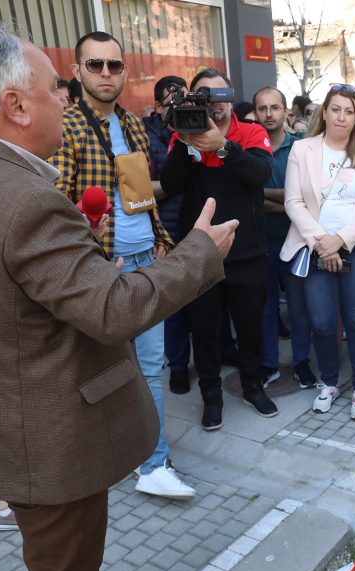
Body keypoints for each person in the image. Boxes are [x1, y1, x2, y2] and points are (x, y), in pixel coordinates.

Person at [0, 17, 237, 571]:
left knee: (63, 559)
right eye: (58, 87)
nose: (68, 97)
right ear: (15, 105)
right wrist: (199, 252)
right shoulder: (22, 197)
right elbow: (113, 310)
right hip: (44, 432)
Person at [51, 31, 195, 499]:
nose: (106, 74)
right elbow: (56, 204)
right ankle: (104, 455)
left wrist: (161, 237)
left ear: (125, 71)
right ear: (78, 71)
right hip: (103, 266)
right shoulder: (65, 127)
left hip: (144, 259)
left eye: (114, 65)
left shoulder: (133, 125)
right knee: (99, 370)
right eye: (95, 66)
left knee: (150, 367)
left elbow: (139, 193)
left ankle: (151, 463)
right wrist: (91, 254)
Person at [160, 68, 278, 430]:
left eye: (219, 96)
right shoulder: (185, 135)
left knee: (250, 328)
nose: (213, 104)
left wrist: (223, 147)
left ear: (230, 97)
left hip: (247, 253)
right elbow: (171, 183)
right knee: (204, 330)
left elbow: (260, 175)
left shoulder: (252, 131)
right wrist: (185, 140)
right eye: (203, 97)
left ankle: (253, 386)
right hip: (200, 255)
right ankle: (211, 396)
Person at [281, 84, 355, 420]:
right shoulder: (303, 149)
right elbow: (293, 201)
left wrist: (340, 240)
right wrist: (321, 241)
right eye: (336, 109)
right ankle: (328, 381)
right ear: (324, 112)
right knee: (323, 322)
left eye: (349, 111)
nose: (342, 116)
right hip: (314, 248)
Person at [253, 86, 317, 390]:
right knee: (265, 308)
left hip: (296, 240)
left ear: (286, 112)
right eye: (262, 108)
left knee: (298, 307)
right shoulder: (249, 146)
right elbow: (249, 200)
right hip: (260, 242)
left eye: (274, 107)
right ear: (255, 113)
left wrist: (267, 197)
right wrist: (289, 201)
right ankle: (269, 366)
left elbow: (307, 196)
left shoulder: (301, 147)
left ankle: (302, 363)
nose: (268, 114)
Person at [146, 75, 192, 394]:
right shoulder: (144, 136)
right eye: (170, 102)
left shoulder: (195, 129)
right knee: (174, 305)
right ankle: (177, 365)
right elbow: (137, 190)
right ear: (157, 106)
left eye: (183, 100)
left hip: (196, 224)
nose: (177, 107)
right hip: (166, 229)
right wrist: (170, 186)